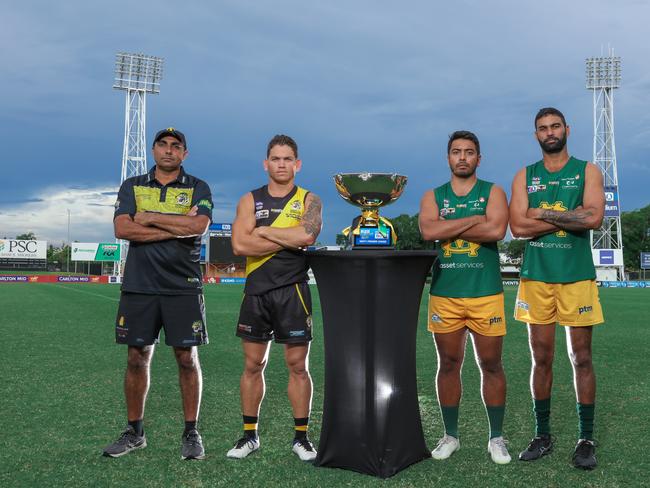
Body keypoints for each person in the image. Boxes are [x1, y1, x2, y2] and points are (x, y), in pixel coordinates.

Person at [103, 128, 213, 460]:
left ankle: (191, 432)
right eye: (163, 145)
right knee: (137, 357)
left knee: (187, 358)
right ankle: (135, 432)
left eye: (176, 146)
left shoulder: (198, 187)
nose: (168, 150)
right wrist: (175, 227)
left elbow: (198, 228)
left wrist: (149, 218)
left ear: (184, 154)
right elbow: (122, 229)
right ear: (153, 150)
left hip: (183, 286)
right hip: (140, 285)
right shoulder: (132, 185)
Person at [509, 107, 605, 470]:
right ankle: (543, 434)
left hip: (577, 275)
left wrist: (540, 214)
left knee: (581, 357)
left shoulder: (587, 171)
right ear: (536, 135)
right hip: (536, 277)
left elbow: (594, 217)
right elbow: (517, 227)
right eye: (542, 128)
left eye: (555, 126)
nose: (549, 133)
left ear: (567, 129)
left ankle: (585, 439)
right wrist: (568, 216)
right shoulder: (525, 175)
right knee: (542, 358)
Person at [227, 134, 322, 462]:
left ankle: (301, 438)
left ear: (297, 164)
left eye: (287, 159)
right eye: (275, 159)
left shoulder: (310, 200)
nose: (281, 164)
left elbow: (307, 234)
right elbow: (240, 246)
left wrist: (264, 231)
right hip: (256, 291)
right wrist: (288, 238)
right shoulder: (249, 200)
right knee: (253, 364)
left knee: (298, 365)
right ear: (265, 164)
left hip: (293, 290)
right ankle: (249, 436)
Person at [419, 130, 511, 465]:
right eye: (456, 151)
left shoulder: (494, 192)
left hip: (485, 293)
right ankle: (451, 436)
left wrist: (452, 223)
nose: (462, 157)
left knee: (491, 364)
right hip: (445, 294)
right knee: (448, 364)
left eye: (469, 152)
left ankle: (496, 437)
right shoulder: (433, 195)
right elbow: (428, 231)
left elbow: (497, 230)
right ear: (448, 157)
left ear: (478, 158)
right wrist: (476, 219)